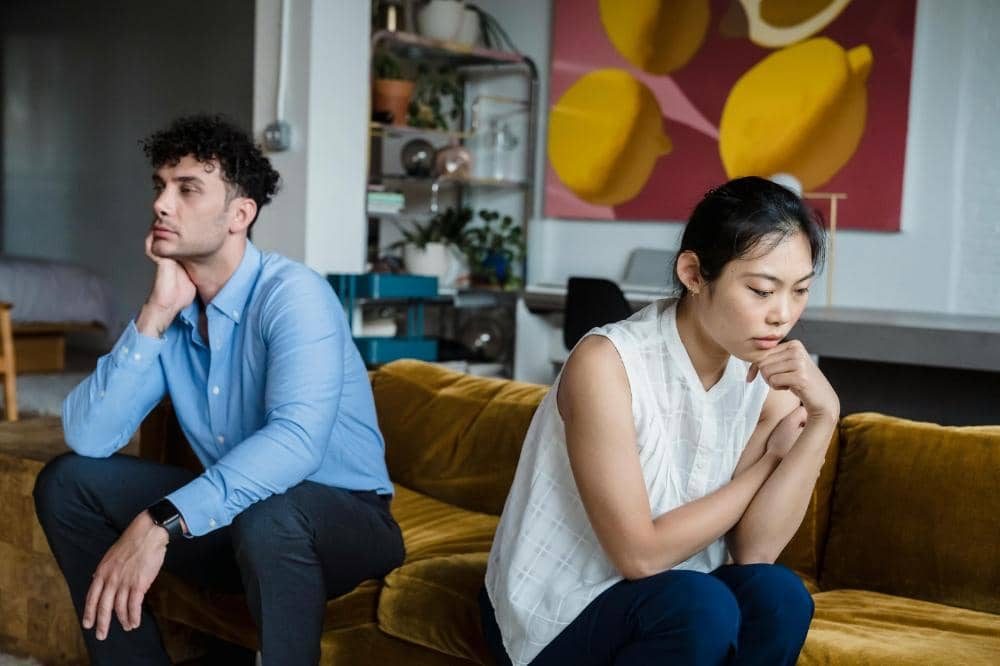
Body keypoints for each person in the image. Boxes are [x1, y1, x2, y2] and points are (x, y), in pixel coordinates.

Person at [33, 114, 405, 665]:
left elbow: (296, 442)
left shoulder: (293, 295)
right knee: (67, 482)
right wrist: (155, 315)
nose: (162, 204)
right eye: (160, 186)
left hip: (343, 526)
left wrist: (162, 519)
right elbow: (89, 436)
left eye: (187, 189)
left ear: (240, 214)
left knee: (272, 516)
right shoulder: (178, 308)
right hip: (238, 521)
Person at [481, 176, 839, 665]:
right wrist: (766, 464)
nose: (782, 315)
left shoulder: (763, 376)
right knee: (700, 606)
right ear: (693, 273)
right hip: (558, 608)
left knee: (779, 595)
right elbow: (640, 556)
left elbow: (755, 551)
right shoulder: (607, 363)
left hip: (674, 596)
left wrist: (822, 420)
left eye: (799, 292)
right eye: (760, 290)